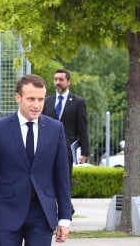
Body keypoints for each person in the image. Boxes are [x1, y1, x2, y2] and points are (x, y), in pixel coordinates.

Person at [0, 74, 72, 246]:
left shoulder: (56, 129)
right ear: (18, 97)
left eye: (41, 99)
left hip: (42, 214)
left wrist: (64, 219)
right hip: (6, 212)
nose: (37, 105)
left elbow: (62, 177)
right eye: (31, 99)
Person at [42, 68, 89, 214]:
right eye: (55, 79)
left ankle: (66, 209)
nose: (57, 82)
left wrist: (85, 151)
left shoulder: (78, 102)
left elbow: (82, 127)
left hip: (67, 149)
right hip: (47, 148)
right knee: (47, 178)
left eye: (61, 79)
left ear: (68, 82)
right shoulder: (47, 101)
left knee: (64, 179)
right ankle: (58, 207)